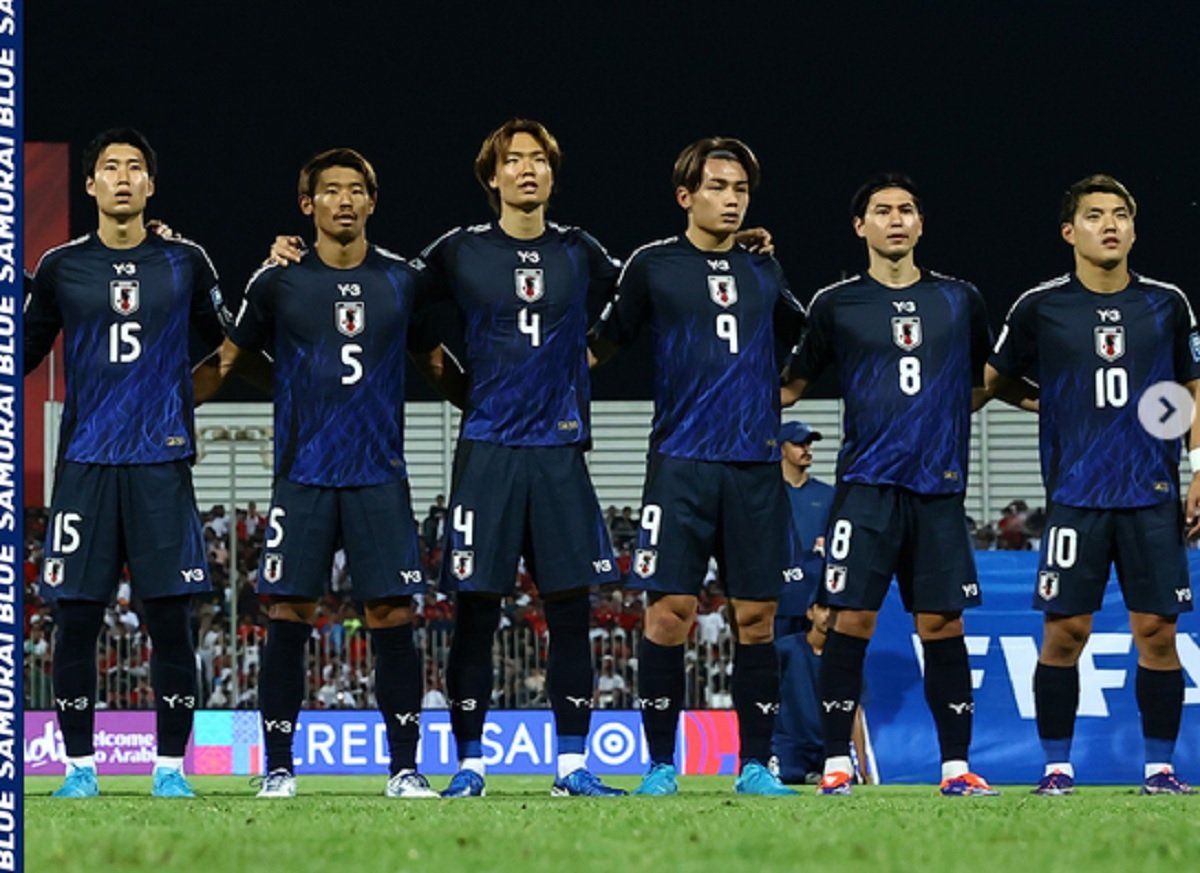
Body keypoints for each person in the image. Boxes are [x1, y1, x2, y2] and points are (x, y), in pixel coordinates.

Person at [207, 147, 465, 798]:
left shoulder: (403, 279)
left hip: (379, 476)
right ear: (307, 204)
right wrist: (167, 410)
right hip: (304, 476)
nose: (344, 200)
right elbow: (229, 358)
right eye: (330, 190)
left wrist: (495, 412)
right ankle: (278, 768)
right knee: (288, 613)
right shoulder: (276, 281)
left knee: (391, 617)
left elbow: (438, 363)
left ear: (373, 203)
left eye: (356, 190)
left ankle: (405, 768)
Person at [414, 119, 626, 797]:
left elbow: (645, 299)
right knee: (475, 613)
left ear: (553, 175)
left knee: (571, 612)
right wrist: (461, 389)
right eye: (515, 160)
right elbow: (397, 306)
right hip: (489, 451)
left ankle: (570, 766)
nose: (528, 169)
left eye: (539, 160)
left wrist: (581, 364)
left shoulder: (578, 249)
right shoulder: (458, 250)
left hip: (559, 450)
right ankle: (470, 763)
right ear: (493, 176)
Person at [590, 136, 806, 795]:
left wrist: (786, 390)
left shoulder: (764, 269)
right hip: (680, 463)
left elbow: (809, 338)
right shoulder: (653, 265)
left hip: (752, 467)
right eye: (718, 186)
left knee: (757, 619)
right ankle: (660, 764)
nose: (732, 199)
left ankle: (757, 765)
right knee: (668, 614)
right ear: (686, 195)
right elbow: (602, 343)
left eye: (740, 189)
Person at [781, 173, 1001, 796]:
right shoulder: (835, 303)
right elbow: (792, 384)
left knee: (943, 627)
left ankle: (956, 768)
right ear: (861, 227)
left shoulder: (960, 299)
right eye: (882, 211)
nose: (896, 219)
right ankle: (834, 766)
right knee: (849, 623)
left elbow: (984, 380)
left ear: (921, 223)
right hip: (867, 489)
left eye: (907, 209)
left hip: (938, 491)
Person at [24, 128, 225, 798]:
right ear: (90, 185)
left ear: (150, 185)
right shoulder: (59, 267)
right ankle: (79, 766)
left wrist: (181, 400)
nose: (121, 178)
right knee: (75, 618)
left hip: (160, 466)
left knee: (172, 620)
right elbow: (21, 353)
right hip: (85, 464)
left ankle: (170, 769)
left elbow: (230, 345)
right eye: (109, 167)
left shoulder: (184, 260)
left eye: (134, 167)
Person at [986, 174, 1198, 795]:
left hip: (1151, 498)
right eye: (1095, 215)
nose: (1109, 224)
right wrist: (1042, 402)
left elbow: (1190, 389)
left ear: (1134, 229)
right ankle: (1056, 767)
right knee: (1065, 632)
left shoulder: (1167, 303)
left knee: (1158, 633)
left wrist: (1197, 464)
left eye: (1120, 215)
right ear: (1068, 231)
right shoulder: (1040, 306)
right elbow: (992, 379)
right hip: (1076, 500)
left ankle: (1160, 768)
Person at [772, 420, 865, 783]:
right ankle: (773, 754)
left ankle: (829, 755)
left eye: (809, 443)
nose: (807, 449)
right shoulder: (766, 494)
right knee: (778, 683)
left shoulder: (827, 496)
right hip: (779, 602)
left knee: (825, 680)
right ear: (781, 448)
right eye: (799, 444)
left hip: (821, 605)